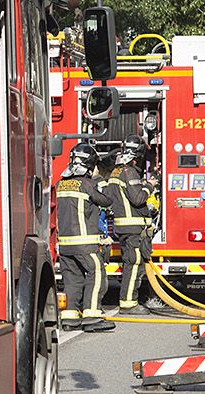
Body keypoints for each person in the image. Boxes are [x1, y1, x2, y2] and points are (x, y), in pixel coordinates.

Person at [55, 143, 115, 332]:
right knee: (96, 274)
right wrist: (100, 179)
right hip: (85, 244)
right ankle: (92, 316)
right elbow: (106, 201)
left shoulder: (60, 183)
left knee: (72, 279)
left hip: (64, 245)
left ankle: (70, 318)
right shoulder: (88, 184)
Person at [103, 136, 155, 316]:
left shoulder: (115, 172)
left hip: (123, 227)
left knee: (130, 263)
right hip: (133, 228)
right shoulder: (129, 172)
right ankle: (129, 303)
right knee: (134, 264)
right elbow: (138, 198)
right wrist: (149, 186)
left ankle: (128, 300)